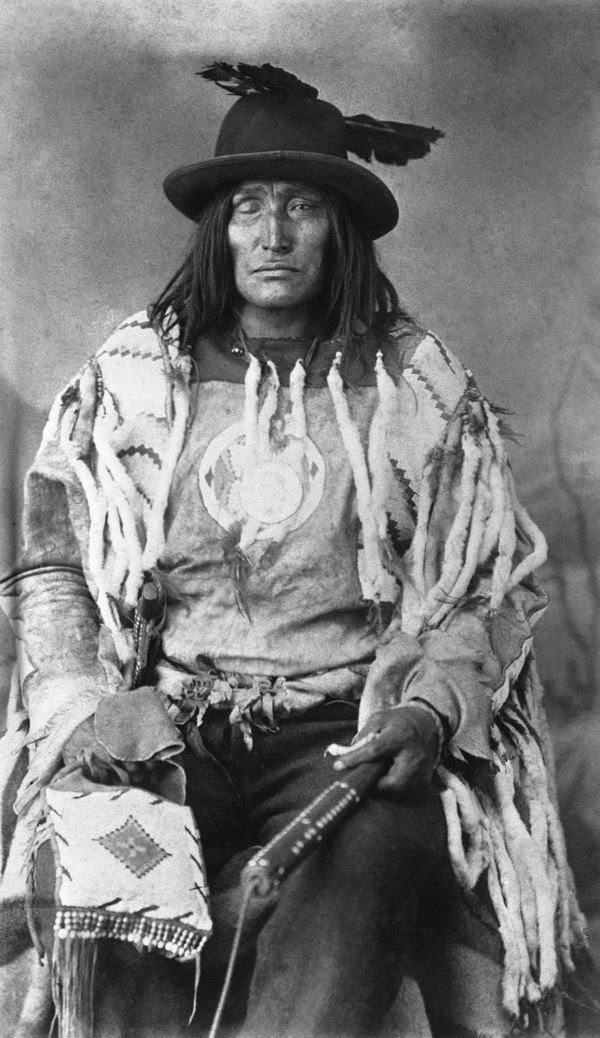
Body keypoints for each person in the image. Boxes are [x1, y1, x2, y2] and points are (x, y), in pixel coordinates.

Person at [0, 62, 586, 1038]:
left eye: (302, 207)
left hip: (343, 743)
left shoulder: (413, 389)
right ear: (218, 227)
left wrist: (430, 712)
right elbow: (57, 566)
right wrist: (83, 710)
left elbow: (480, 586)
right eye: (250, 207)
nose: (273, 234)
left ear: (339, 226)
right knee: (107, 887)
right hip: (165, 736)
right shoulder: (132, 384)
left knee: (355, 891)